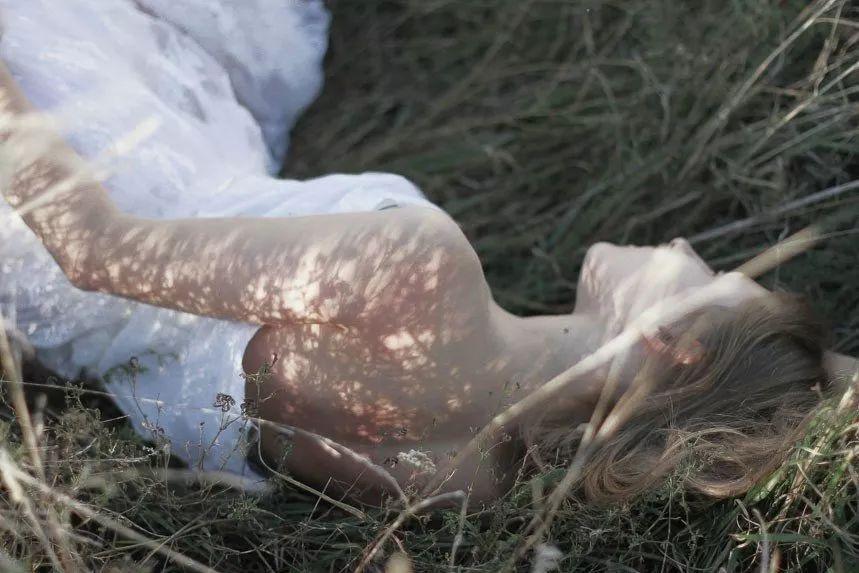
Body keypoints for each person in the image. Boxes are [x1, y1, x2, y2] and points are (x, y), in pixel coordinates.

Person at [0, 1, 855, 505]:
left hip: (68, 192)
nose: (681, 243)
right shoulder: (468, 479)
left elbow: (93, 249)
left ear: (672, 338)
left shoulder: (418, 271)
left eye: (711, 272)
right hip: (72, 325)